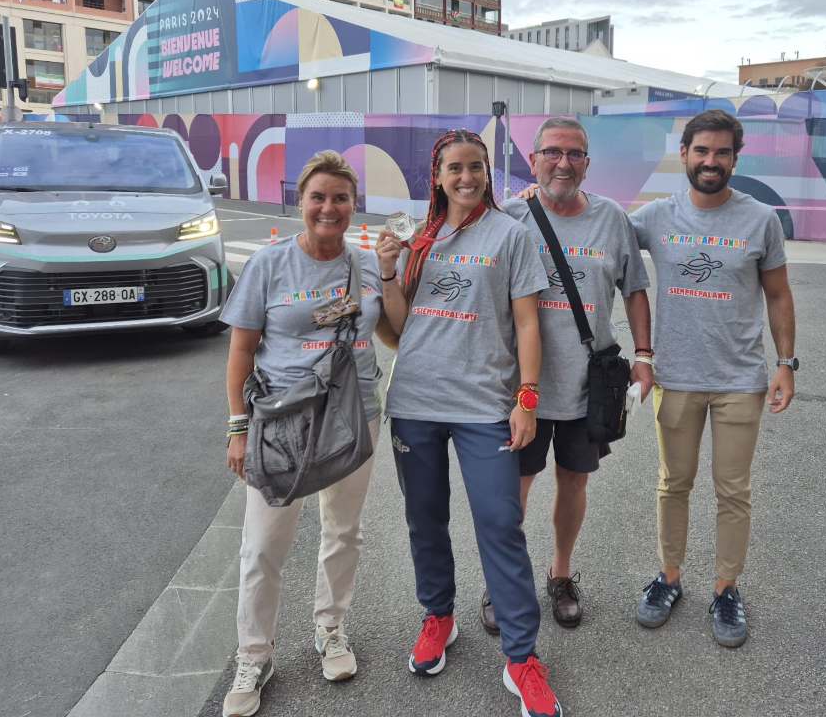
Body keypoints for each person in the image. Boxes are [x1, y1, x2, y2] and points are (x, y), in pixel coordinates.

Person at [375, 129, 563, 717]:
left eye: (476, 167)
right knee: (424, 519)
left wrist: (527, 397)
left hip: (486, 405)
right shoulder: (418, 240)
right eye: (454, 167)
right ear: (437, 176)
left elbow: (529, 324)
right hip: (415, 402)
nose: (466, 177)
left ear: (488, 172)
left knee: (500, 524)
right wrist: (386, 272)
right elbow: (400, 328)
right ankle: (439, 617)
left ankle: (522, 657)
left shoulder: (511, 234)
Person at [219, 150, 398, 717]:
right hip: (282, 421)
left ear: (353, 206)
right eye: (318, 197)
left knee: (343, 530)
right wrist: (237, 428)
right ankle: (254, 654)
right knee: (263, 545)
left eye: (341, 198)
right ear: (300, 202)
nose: (329, 207)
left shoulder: (366, 264)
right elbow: (241, 351)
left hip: (355, 413)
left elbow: (394, 334)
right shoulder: (269, 265)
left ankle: (331, 628)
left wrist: (392, 275)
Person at [629, 109, 797, 648]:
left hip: (739, 380)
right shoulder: (655, 217)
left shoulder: (760, 220)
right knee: (673, 483)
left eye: (721, 152)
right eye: (701, 151)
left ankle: (726, 588)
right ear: (683, 154)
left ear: (734, 158)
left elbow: (778, 294)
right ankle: (670, 578)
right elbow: (598, 242)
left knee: (733, 490)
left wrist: (785, 365)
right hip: (675, 376)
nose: (710, 161)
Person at [483, 116, 652, 633]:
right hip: (523, 388)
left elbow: (635, 289)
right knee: (515, 489)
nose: (564, 162)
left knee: (573, 482)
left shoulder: (611, 220)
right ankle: (503, 583)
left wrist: (644, 353)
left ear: (587, 163)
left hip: (588, 387)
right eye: (552, 152)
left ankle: (560, 574)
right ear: (532, 160)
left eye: (575, 153)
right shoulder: (511, 216)